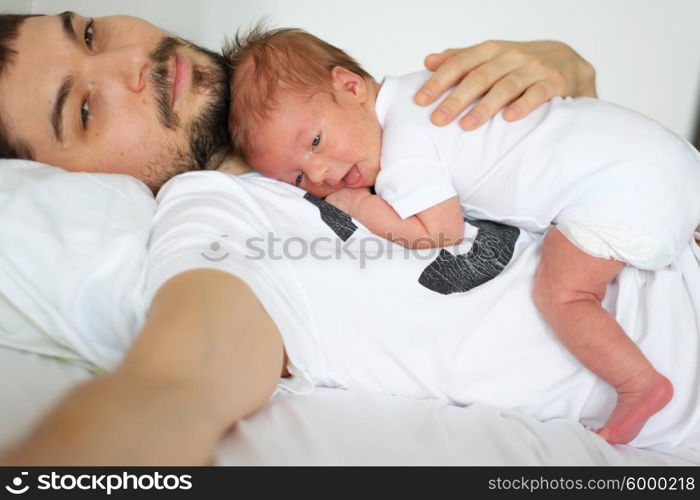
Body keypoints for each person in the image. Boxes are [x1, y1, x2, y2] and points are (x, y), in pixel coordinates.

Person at [0, 12, 604, 464]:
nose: (128, 65)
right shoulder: (217, 216)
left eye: (86, 34)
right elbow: (176, 386)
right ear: (58, 181)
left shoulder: (351, 110)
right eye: (83, 109)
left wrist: (572, 82)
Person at [226, 28, 700, 444]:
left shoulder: (402, 151)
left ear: (350, 86)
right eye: (297, 179)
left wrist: (359, 205)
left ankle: (639, 384)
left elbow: (439, 231)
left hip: (622, 189)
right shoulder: (422, 92)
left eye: (314, 143)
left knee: (564, 293)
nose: (322, 174)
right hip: (666, 155)